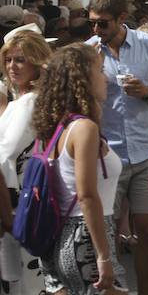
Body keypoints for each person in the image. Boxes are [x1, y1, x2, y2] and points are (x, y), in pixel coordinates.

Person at [87, 0, 148, 295]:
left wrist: (147, 92)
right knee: (105, 232)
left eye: (103, 24)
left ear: (122, 19)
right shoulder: (89, 51)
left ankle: (146, 292)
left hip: (144, 148)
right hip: (106, 152)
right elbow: (81, 102)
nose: (97, 30)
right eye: (93, 23)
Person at [35, 44, 127, 294]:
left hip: (59, 235)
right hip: (85, 236)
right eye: (100, 70)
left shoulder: (57, 125)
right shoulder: (84, 128)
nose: (106, 78)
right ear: (82, 79)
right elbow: (87, 196)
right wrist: (103, 256)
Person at [0, 28, 52, 294]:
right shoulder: (21, 100)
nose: (12, 66)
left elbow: (4, 153)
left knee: (25, 281)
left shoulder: (29, 102)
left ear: (36, 62)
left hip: (20, 205)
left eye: (20, 59)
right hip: (17, 203)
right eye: (8, 59)